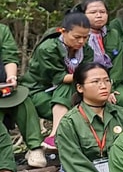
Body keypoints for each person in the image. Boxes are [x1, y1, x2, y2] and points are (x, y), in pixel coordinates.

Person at [56, 63, 123, 172]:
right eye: (95, 82)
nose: (103, 86)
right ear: (80, 88)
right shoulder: (69, 122)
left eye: (106, 80)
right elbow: (75, 164)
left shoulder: (121, 114)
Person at [21, 12, 95, 150]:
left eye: (85, 37)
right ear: (63, 31)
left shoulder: (86, 50)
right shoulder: (48, 48)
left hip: (68, 92)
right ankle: (55, 135)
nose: (81, 41)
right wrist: (92, 77)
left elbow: (87, 71)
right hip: (39, 91)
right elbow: (61, 78)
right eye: (77, 37)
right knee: (68, 88)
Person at [75, 0, 123, 113]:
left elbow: (116, 65)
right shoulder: (78, 35)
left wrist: (110, 87)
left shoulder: (113, 34)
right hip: (87, 80)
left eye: (102, 12)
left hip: (111, 80)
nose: (99, 15)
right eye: (93, 12)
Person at [0, 21, 45, 167]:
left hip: (2, 87)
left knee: (22, 99)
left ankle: (35, 148)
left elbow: (10, 57)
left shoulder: (2, 30)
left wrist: (11, 77)